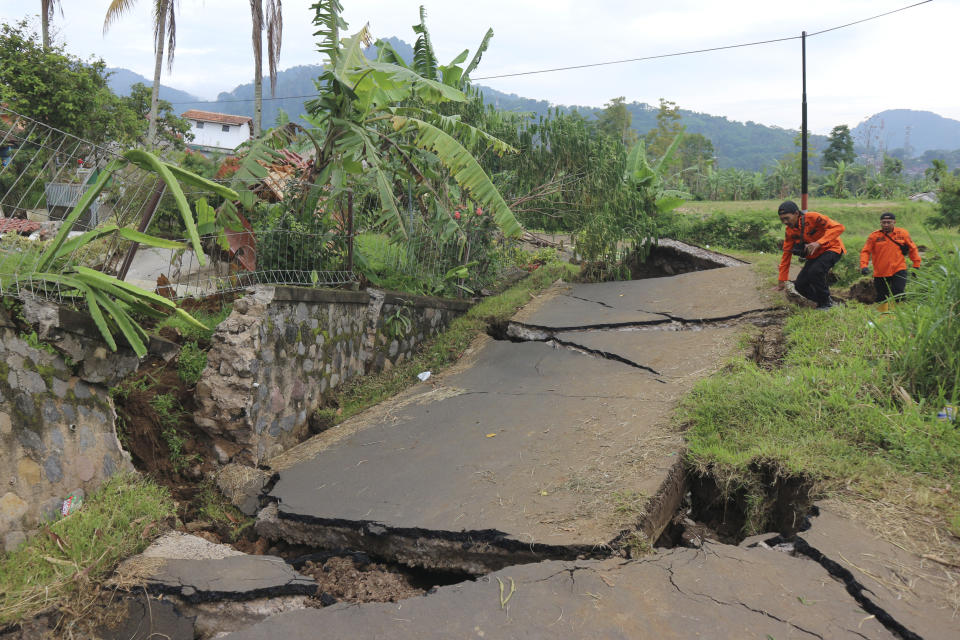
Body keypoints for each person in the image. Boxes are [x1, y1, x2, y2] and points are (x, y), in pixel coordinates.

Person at [775, 200, 846, 309]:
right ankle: (826, 300)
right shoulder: (789, 232)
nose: (785, 222)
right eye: (782, 219)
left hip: (832, 248)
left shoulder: (813, 217)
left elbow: (839, 227)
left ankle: (826, 304)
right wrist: (781, 280)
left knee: (815, 271)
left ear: (796, 213)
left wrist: (819, 243)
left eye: (787, 218)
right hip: (815, 256)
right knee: (800, 285)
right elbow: (786, 255)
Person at [859, 212, 921, 310]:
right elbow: (865, 252)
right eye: (883, 222)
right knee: (881, 296)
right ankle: (882, 316)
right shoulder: (874, 236)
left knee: (898, 292)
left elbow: (913, 248)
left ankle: (898, 315)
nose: (886, 225)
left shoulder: (903, 234)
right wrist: (864, 266)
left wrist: (916, 265)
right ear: (880, 223)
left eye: (889, 222)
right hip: (880, 271)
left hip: (898, 268)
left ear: (894, 222)